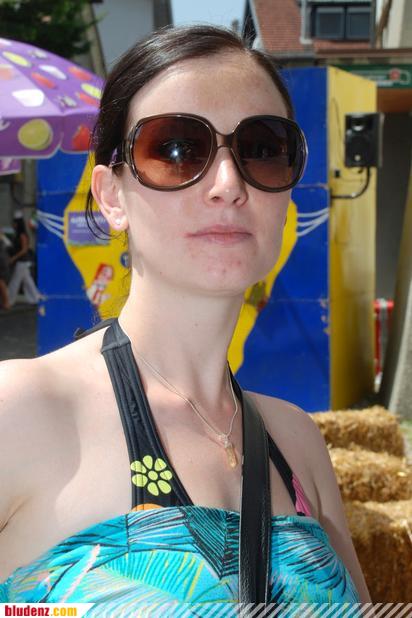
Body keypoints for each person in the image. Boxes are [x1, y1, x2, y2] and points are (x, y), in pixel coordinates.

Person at [0, 25, 372, 612]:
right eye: (175, 148)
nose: (228, 184)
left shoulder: (297, 442)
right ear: (111, 195)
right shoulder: (20, 411)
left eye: (262, 149)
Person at [7, 214, 41, 306]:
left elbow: (24, 250)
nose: (13, 225)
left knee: (15, 281)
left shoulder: (22, 235)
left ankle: (9, 300)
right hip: (22, 261)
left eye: (14, 223)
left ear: (18, 224)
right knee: (28, 281)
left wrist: (14, 258)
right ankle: (35, 297)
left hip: (22, 261)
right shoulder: (18, 235)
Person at [0, 230, 11, 310]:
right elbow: (8, 244)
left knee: (1, 281)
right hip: (3, 258)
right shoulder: (2, 236)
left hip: (1, 260)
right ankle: (5, 302)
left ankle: (6, 303)